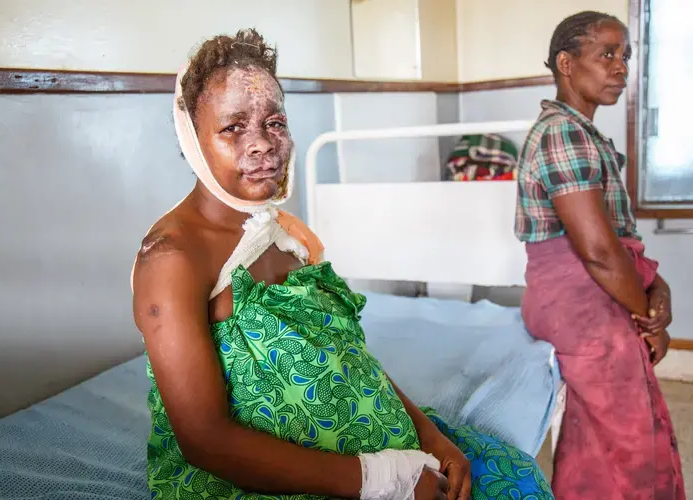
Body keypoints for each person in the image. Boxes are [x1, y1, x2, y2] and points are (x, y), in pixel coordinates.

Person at [132, 28, 553, 500]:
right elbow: (205, 440)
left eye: (274, 123)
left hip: (389, 454)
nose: (262, 144)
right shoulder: (173, 259)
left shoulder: (280, 235)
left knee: (517, 479)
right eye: (233, 127)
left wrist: (435, 441)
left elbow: (351, 355)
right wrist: (384, 480)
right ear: (193, 139)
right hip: (275, 479)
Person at [515, 11, 686, 499]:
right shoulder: (561, 134)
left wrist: (657, 293)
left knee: (610, 433)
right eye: (606, 54)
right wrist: (646, 317)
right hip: (579, 299)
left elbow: (620, 245)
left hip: (600, 287)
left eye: (626, 56)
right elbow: (596, 252)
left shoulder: (586, 137)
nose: (620, 67)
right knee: (626, 440)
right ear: (566, 64)